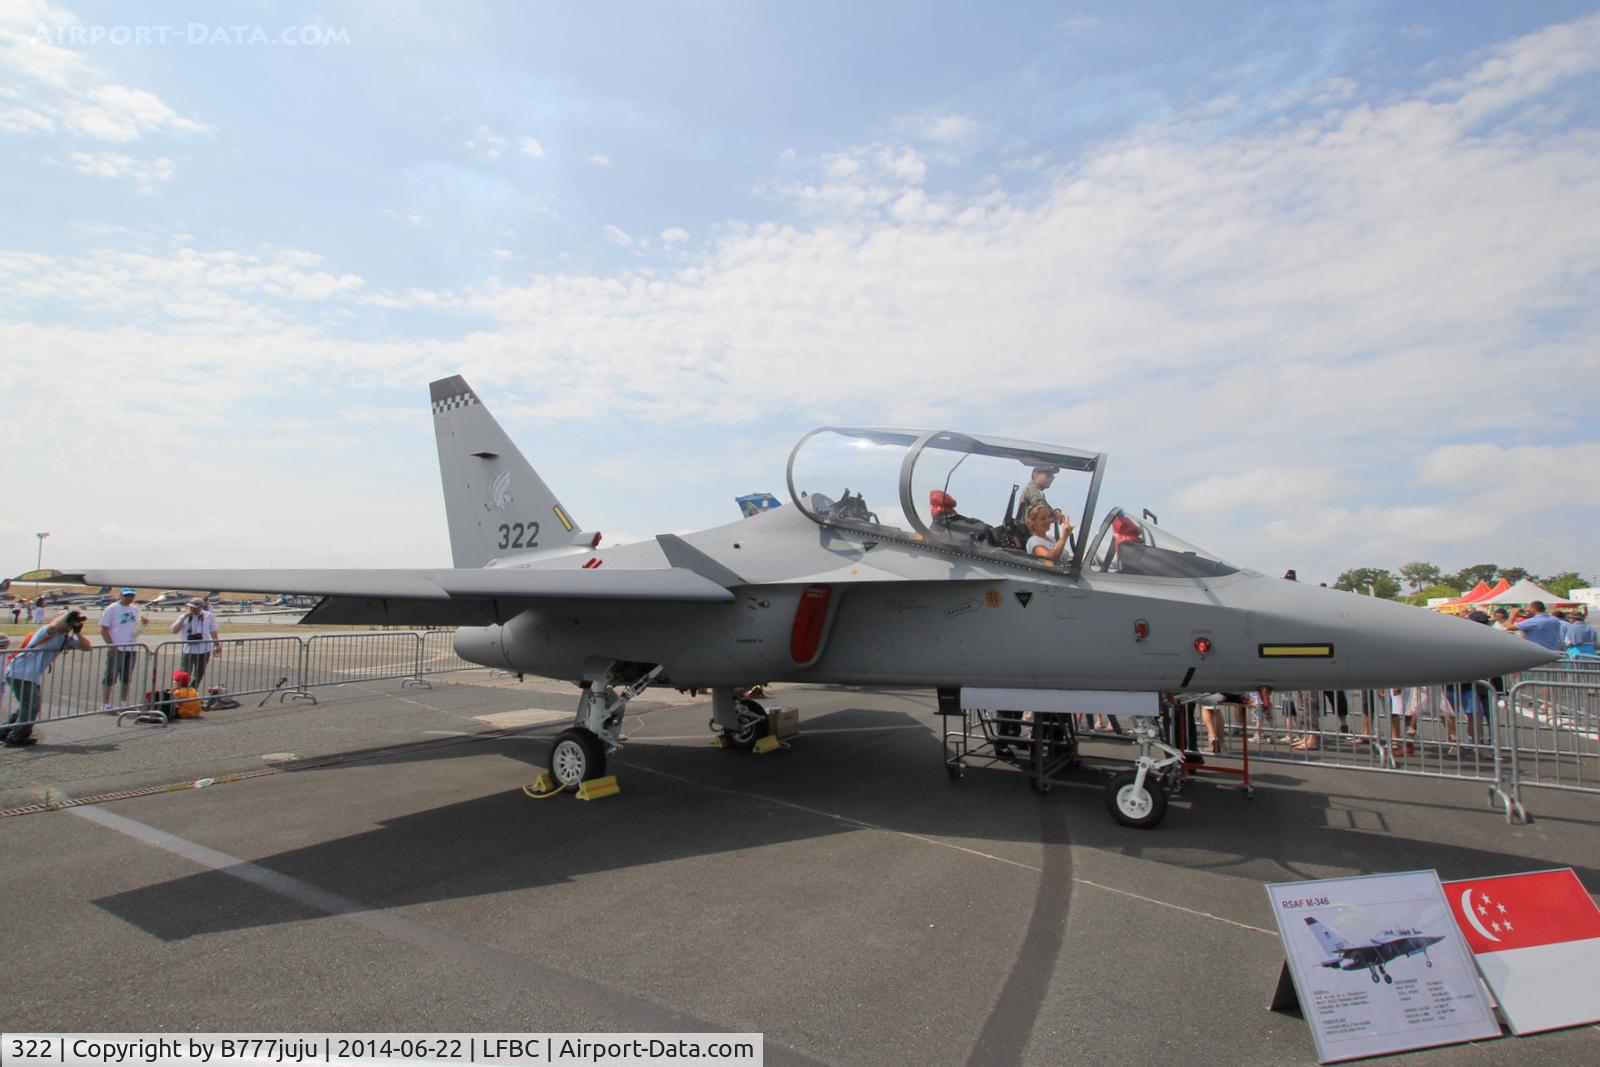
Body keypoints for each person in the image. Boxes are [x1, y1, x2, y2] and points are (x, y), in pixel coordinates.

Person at [2, 610, 92, 747]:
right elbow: (53, 626)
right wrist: (67, 615)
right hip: (20, 672)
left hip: (30, 675)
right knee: (32, 706)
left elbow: (87, 647)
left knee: (29, 705)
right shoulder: (46, 631)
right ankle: (17, 737)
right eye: (66, 621)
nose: (67, 624)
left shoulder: (66, 638)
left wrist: (78, 631)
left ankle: (3, 731)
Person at [98, 587, 146, 711]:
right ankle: (106, 703)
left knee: (126, 677)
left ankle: (124, 702)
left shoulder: (135, 609)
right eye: (127, 595)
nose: (129, 598)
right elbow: (104, 629)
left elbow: (135, 629)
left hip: (131, 648)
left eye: (131, 595)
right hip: (117, 648)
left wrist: (143, 623)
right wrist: (111, 645)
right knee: (110, 676)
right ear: (120, 595)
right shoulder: (111, 609)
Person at [171, 598, 222, 685]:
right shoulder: (183, 617)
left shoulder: (208, 616)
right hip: (188, 650)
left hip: (204, 650)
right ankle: (182, 693)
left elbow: (213, 631)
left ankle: (193, 691)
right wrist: (184, 617)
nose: (192, 609)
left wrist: (217, 645)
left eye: (195, 608)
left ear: (201, 608)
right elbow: (173, 630)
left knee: (199, 674)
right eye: (190, 607)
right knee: (184, 674)